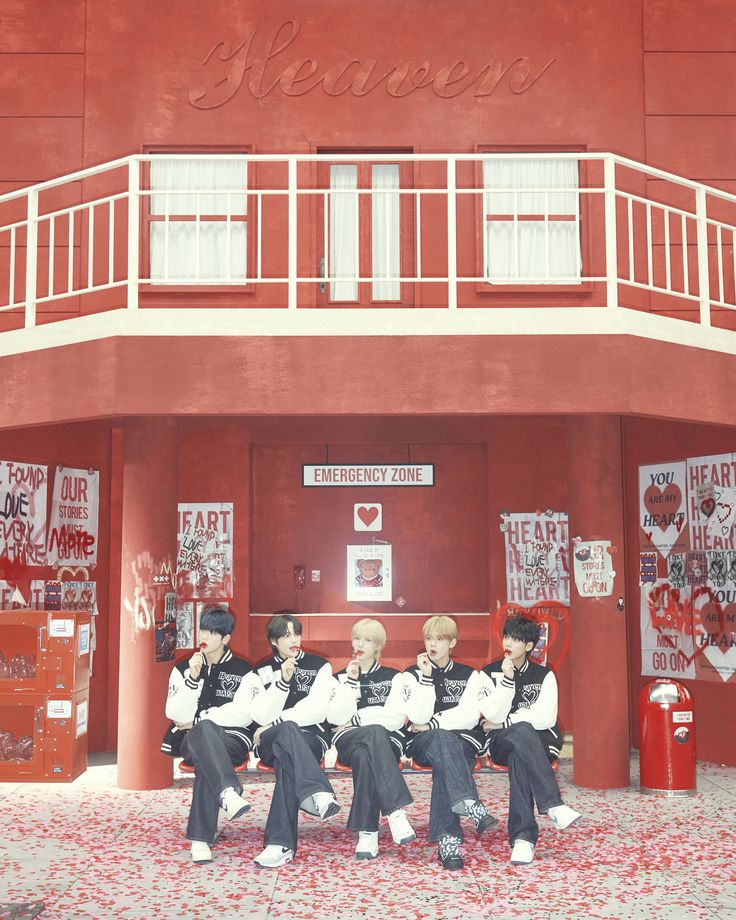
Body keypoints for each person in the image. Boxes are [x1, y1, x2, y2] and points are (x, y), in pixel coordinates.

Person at [161, 606, 262, 865]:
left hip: (232, 740)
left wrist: (200, 718)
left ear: (226, 638)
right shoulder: (184, 667)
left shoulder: (243, 669)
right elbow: (174, 712)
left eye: (213, 632)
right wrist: (193, 680)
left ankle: (200, 838)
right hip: (192, 740)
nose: (205, 635)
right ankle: (227, 792)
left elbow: (244, 714)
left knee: (206, 747)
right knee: (203, 735)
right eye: (203, 629)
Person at [478, 615, 581, 866]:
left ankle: (523, 840)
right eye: (506, 637)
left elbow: (546, 718)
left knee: (519, 756)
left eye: (516, 639)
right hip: (500, 743)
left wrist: (506, 721)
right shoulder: (488, 673)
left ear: (529, 646)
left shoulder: (544, 676)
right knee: (521, 731)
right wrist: (506, 681)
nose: (509, 643)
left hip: (538, 743)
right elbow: (490, 714)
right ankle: (553, 805)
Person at [404, 615, 497, 870]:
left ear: (452, 642)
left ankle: (449, 841)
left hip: (461, 742)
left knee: (447, 758)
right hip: (424, 744)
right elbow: (417, 718)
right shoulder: (411, 675)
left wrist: (434, 723)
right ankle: (471, 806)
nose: (432, 644)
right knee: (445, 743)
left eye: (439, 639)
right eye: (428, 638)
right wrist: (425, 679)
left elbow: (468, 716)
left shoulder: (470, 675)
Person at [250, 609, 340, 868]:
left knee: (287, 758)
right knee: (286, 733)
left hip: (310, 739)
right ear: (274, 641)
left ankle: (280, 845)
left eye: (296, 633)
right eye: (286, 635)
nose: (293, 639)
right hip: (270, 740)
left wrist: (276, 721)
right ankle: (317, 791)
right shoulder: (262, 670)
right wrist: (282, 683)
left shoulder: (320, 666)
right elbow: (260, 713)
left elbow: (316, 709)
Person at [329, 618, 415, 860]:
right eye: (357, 638)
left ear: (378, 646)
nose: (361, 644)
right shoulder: (339, 678)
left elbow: (396, 718)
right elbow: (335, 719)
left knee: (368, 749)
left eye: (367, 640)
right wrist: (350, 682)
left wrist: (357, 719)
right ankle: (395, 812)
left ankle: (368, 833)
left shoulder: (394, 677)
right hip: (348, 740)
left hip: (386, 742)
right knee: (373, 732)